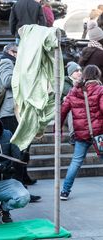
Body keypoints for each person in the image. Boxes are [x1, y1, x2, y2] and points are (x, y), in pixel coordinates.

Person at [0, 43, 41, 202]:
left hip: (15, 112)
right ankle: (19, 189)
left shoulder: (10, 63)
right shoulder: (6, 62)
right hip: (10, 113)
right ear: (11, 52)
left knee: (21, 147)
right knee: (17, 150)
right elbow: (7, 81)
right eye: (18, 53)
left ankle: (22, 180)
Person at [60, 65, 103, 201]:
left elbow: (62, 111)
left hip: (81, 133)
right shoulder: (100, 89)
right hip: (99, 132)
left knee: (76, 161)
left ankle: (65, 191)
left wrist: (58, 127)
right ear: (97, 75)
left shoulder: (74, 91)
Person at [62, 61, 82, 145]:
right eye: (77, 71)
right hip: (65, 113)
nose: (80, 73)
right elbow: (72, 96)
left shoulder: (83, 82)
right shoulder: (64, 82)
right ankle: (73, 135)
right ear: (71, 73)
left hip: (82, 111)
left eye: (80, 70)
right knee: (71, 109)